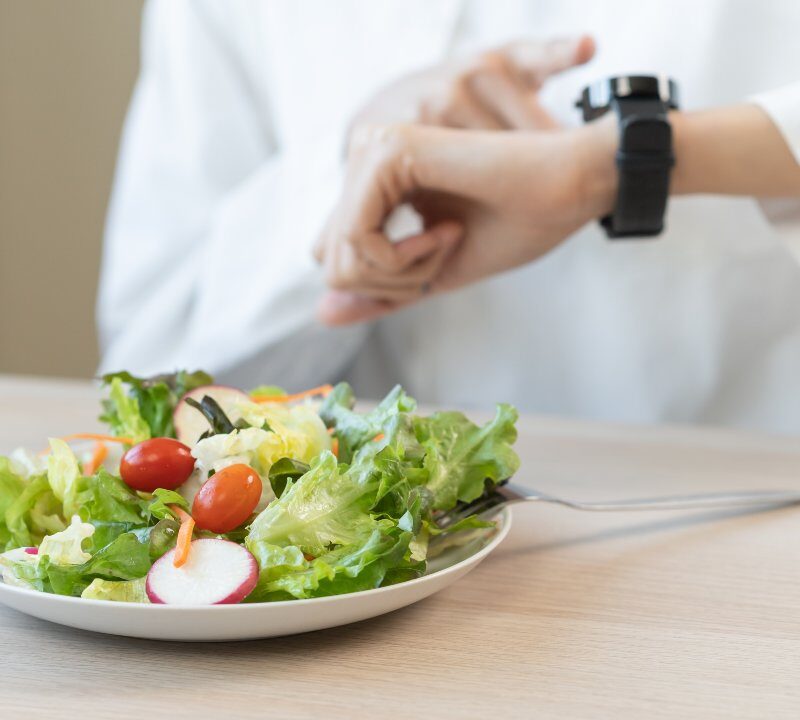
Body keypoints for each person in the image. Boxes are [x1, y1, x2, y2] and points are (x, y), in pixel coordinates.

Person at [99, 0, 800, 432]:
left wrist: (612, 167)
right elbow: (147, 367)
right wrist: (347, 165)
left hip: (733, 535)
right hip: (374, 601)